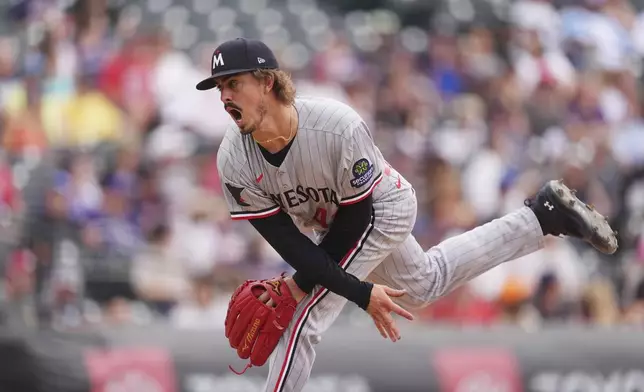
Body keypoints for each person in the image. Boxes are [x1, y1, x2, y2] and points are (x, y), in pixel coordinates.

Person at [196, 37, 618, 392]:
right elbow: (290, 245)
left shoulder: (334, 125)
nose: (225, 96)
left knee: (303, 317)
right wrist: (328, 285)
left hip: (381, 208)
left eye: (233, 83)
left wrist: (318, 290)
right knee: (423, 284)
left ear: (268, 82)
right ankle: (542, 218)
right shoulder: (233, 159)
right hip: (330, 227)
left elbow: (355, 223)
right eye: (219, 89)